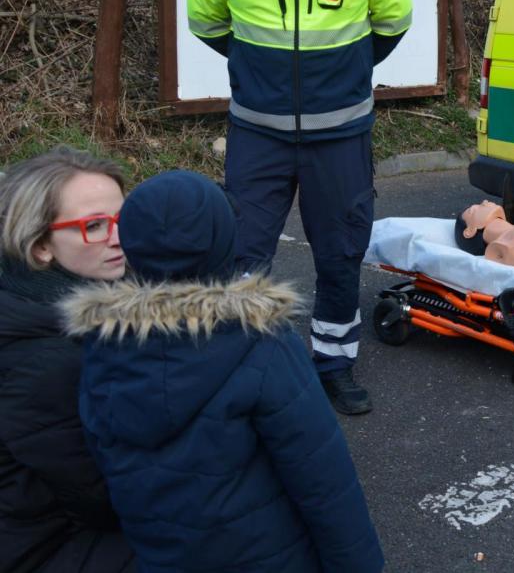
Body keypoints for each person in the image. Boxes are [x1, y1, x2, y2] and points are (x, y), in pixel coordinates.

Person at [187, 0, 414, 414]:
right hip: (257, 133)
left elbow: (393, 20)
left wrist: (343, 71)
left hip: (340, 135)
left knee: (339, 252)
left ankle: (333, 364)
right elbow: (205, 20)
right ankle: (244, 369)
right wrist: (258, 70)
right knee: (242, 254)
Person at [63, 171, 384, 573]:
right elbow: (322, 476)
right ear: (223, 239)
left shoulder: (101, 345)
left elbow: (106, 459)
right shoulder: (260, 342)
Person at [0, 148, 135, 573]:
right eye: (94, 226)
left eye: (124, 219)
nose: (119, 237)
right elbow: (101, 497)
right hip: (43, 545)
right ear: (41, 246)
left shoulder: (38, 292)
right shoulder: (46, 358)